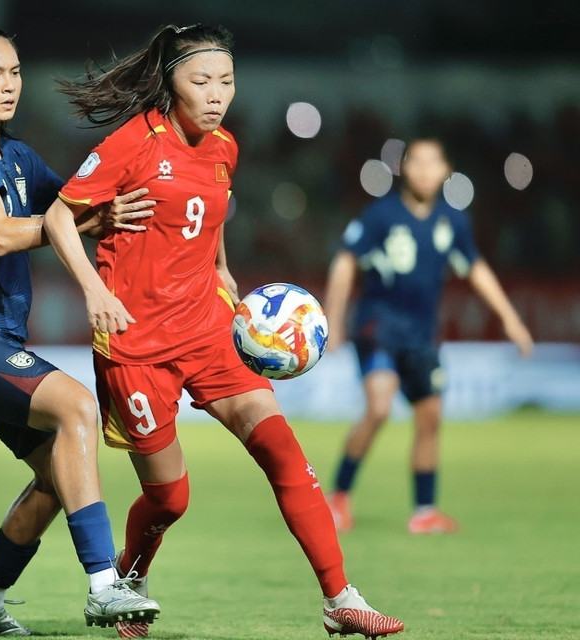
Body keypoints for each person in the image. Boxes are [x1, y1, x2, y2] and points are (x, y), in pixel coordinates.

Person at [42, 23, 404, 640]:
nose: (216, 95)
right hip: (136, 343)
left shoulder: (223, 148)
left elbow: (210, 212)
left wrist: (221, 267)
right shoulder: (134, 142)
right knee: (170, 499)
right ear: (169, 82)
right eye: (201, 81)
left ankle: (340, 597)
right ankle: (130, 579)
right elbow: (57, 215)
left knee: (283, 450)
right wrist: (95, 291)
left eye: (227, 82)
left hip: (209, 328)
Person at [0, 24, 161, 636]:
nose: (9, 84)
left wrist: (129, 184)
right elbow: (0, 235)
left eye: (16, 72)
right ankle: (105, 586)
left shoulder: (18, 157)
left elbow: (77, 206)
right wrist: (81, 223)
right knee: (77, 407)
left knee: (61, 475)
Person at [322, 138, 534, 534]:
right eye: (415, 162)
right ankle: (338, 498)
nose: (423, 170)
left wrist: (510, 318)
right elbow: (345, 261)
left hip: (422, 335)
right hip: (378, 327)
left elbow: (476, 268)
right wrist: (332, 319)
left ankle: (424, 511)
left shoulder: (453, 220)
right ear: (404, 167)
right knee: (380, 406)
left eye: (431, 163)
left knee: (430, 418)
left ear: (444, 170)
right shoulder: (381, 214)